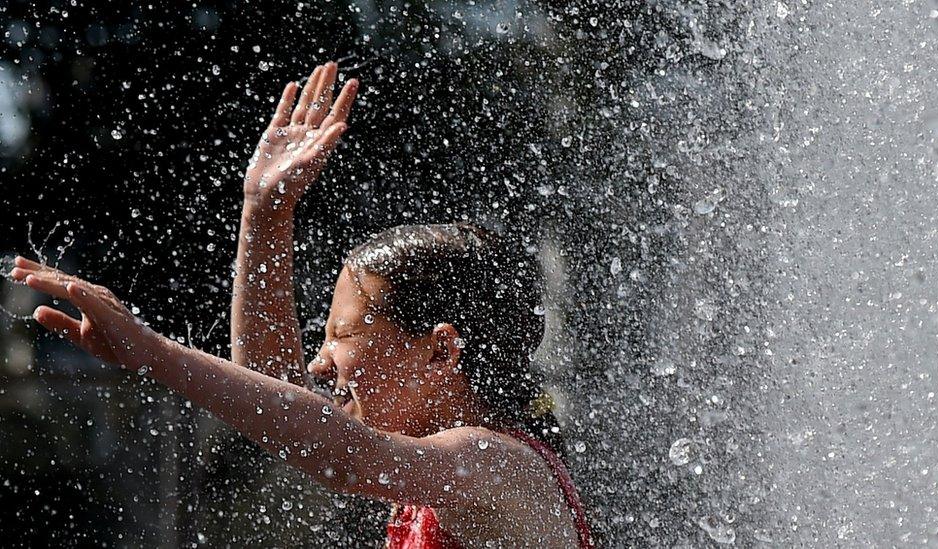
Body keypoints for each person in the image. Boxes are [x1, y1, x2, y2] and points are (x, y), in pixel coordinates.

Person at [9, 61, 593, 548]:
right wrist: (264, 210)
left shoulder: (498, 466)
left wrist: (152, 351)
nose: (318, 365)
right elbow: (277, 405)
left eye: (341, 336)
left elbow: (336, 452)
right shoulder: (439, 470)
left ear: (441, 350)